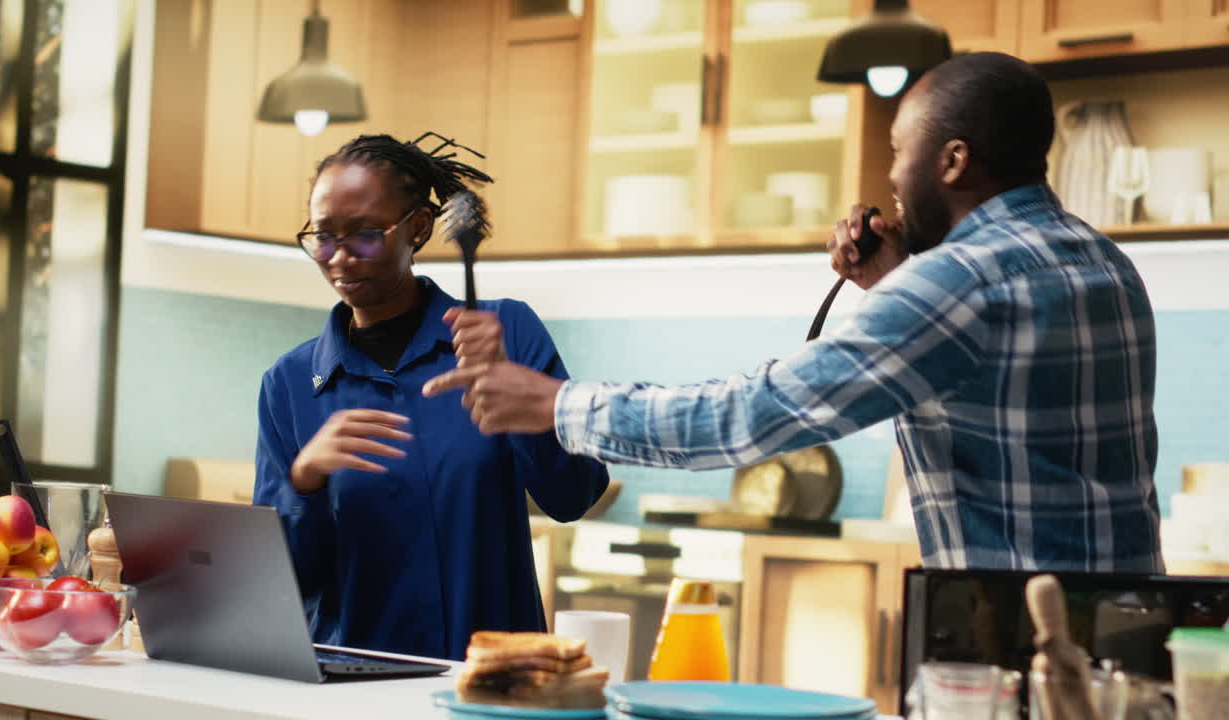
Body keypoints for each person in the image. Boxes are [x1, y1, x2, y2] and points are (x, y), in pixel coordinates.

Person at [424, 53, 1163, 574]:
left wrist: (560, 405)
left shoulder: (958, 282)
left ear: (954, 161)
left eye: (902, 150)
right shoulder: (1101, 262)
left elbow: (754, 415)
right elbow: (1001, 377)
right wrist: (897, 281)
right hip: (1126, 624)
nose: (892, 178)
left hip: (1016, 644)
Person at [253, 133, 609, 661]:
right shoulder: (288, 383)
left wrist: (518, 393)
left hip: (490, 680)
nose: (341, 258)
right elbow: (278, 588)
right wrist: (303, 481)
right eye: (323, 238)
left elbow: (575, 496)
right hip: (352, 687)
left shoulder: (507, 330)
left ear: (418, 228)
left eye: (365, 236)